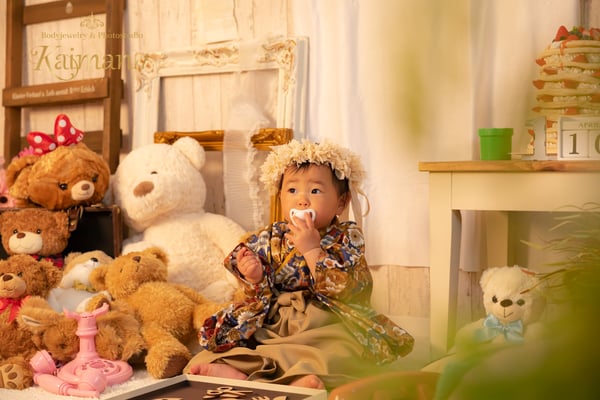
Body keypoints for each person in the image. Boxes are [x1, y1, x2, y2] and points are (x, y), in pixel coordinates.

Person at [184, 139, 414, 390]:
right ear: (280, 196)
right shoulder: (272, 237)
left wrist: (313, 250)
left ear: (341, 202)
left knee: (339, 352)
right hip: (276, 323)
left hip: (325, 323)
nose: (302, 200)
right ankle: (238, 369)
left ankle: (300, 379)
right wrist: (254, 277)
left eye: (315, 191)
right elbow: (256, 295)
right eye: (292, 190)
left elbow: (349, 290)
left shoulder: (346, 237)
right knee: (237, 347)